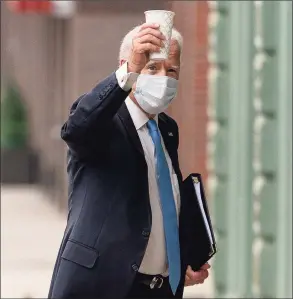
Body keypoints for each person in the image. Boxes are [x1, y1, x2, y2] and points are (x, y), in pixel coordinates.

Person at [48, 22, 210, 299]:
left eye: (172, 70)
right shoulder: (103, 123)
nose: (163, 78)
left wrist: (179, 259)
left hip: (157, 289)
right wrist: (127, 74)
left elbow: (160, 206)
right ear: (129, 66)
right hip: (101, 286)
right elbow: (75, 130)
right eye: (152, 68)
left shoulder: (167, 130)